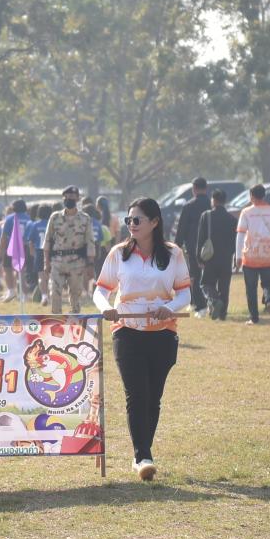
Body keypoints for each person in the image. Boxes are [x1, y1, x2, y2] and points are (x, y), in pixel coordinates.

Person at [93, 197, 191, 482]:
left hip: (163, 333)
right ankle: (142, 456)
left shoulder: (173, 254)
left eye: (137, 220)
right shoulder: (118, 253)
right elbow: (101, 290)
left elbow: (185, 293)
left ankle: (143, 450)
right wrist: (106, 308)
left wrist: (169, 308)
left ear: (154, 222)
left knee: (153, 398)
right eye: (128, 220)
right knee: (136, 395)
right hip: (127, 331)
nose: (131, 225)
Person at [44, 185, 97, 315]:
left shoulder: (85, 218)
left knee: (75, 295)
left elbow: (90, 242)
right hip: (57, 261)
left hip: (77, 262)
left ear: (78, 199)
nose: (69, 199)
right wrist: (46, 262)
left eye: (72, 197)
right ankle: (56, 321)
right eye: (66, 197)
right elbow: (48, 240)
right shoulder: (55, 217)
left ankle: (74, 321)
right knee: (54, 292)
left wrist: (90, 264)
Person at [235, 184, 270, 325]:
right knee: (268, 284)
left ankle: (254, 317)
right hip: (268, 254)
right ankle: (269, 301)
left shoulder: (246, 212)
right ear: (264, 195)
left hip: (250, 256)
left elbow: (240, 235)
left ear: (252, 196)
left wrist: (238, 256)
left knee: (251, 288)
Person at [196, 188, 237, 321]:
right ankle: (222, 314)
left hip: (210, 258)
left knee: (206, 284)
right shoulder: (232, 219)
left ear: (213, 200)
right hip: (226, 258)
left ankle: (214, 300)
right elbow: (234, 241)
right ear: (225, 201)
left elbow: (200, 239)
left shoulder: (206, 216)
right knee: (224, 287)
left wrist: (199, 257)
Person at [173, 178, 211, 313]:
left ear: (194, 189)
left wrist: (177, 245)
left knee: (194, 275)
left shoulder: (188, 206)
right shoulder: (212, 204)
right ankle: (210, 301)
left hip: (193, 246)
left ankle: (199, 304)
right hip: (211, 247)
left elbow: (181, 228)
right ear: (206, 188)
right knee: (211, 275)